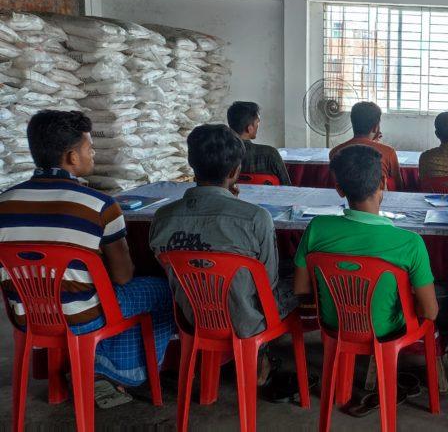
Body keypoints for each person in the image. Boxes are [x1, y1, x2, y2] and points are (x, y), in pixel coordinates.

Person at [0, 110, 173, 407]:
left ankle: (86, 370)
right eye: (89, 148)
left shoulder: (4, 202)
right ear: (71, 157)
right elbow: (122, 277)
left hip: (25, 315)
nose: (92, 153)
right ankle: (122, 372)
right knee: (159, 289)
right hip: (82, 318)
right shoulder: (100, 206)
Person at [149, 123, 300, 402]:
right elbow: (267, 282)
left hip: (193, 317)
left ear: (192, 165)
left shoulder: (162, 217)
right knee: (298, 283)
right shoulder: (255, 217)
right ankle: (261, 358)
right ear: (234, 172)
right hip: (247, 321)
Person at [294, 144, 438, 339]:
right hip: (387, 332)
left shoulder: (316, 229)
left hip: (333, 327)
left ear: (339, 190)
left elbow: (301, 288)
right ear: (383, 182)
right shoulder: (411, 243)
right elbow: (430, 312)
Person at [328, 101, 403, 191]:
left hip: (347, 200)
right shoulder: (388, 152)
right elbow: (399, 186)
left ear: (353, 124)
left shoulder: (335, 152)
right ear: (375, 127)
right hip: (377, 201)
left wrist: (373, 142)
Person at [226, 101, 292, 185]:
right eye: (258, 123)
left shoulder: (220, 153)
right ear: (249, 128)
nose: (258, 126)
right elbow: (287, 187)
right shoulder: (270, 154)